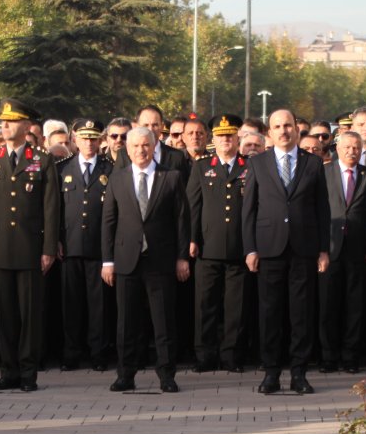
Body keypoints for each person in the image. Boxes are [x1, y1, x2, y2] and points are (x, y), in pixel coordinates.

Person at [242, 109, 330, 395]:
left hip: (303, 248)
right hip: (269, 248)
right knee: (270, 314)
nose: (283, 131)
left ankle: (299, 373)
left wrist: (323, 249)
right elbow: (249, 210)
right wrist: (251, 248)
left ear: (297, 130)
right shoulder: (258, 163)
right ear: (269, 132)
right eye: (277, 126)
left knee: (301, 314)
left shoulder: (313, 164)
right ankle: (271, 373)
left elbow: (322, 209)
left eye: (288, 126)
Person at [0, 100, 59, 392]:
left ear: (26, 126)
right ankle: (7, 371)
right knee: (5, 314)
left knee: (29, 315)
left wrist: (48, 248)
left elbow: (51, 208)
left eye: (11, 121)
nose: (5, 125)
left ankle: (27, 373)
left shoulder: (41, 158)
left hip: (30, 247)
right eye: (3, 121)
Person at [102, 127, 190, 393]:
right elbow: (109, 222)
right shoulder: (117, 179)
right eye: (135, 146)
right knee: (126, 323)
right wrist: (107, 261)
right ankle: (125, 375)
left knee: (163, 321)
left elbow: (182, 221)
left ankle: (166, 375)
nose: (141, 150)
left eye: (145, 145)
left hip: (160, 260)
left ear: (154, 147)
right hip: (127, 260)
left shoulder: (171, 177)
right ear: (127, 150)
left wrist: (182, 257)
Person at [187, 115, 248, 373]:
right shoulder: (202, 167)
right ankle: (205, 356)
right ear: (213, 139)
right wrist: (191, 238)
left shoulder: (249, 166)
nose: (225, 140)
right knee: (205, 305)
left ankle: (231, 356)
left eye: (230, 135)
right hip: (207, 246)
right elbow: (192, 206)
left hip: (239, 247)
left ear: (237, 138)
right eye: (221, 136)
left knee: (236, 306)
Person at [57, 119, 116, 371]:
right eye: (84, 137)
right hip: (69, 247)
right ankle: (72, 353)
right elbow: (56, 210)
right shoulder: (62, 168)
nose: (89, 143)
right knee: (71, 304)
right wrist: (56, 240)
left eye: (94, 138)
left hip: (98, 248)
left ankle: (98, 354)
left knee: (98, 306)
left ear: (100, 140)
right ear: (75, 139)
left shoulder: (111, 168)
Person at [319, 131, 366, 373]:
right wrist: (319, 248)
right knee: (328, 307)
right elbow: (317, 211)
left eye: (356, 148)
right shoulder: (324, 173)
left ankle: (350, 357)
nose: (352, 151)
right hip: (330, 250)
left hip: (358, 250)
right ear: (337, 149)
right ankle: (328, 357)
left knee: (355, 307)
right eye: (347, 147)